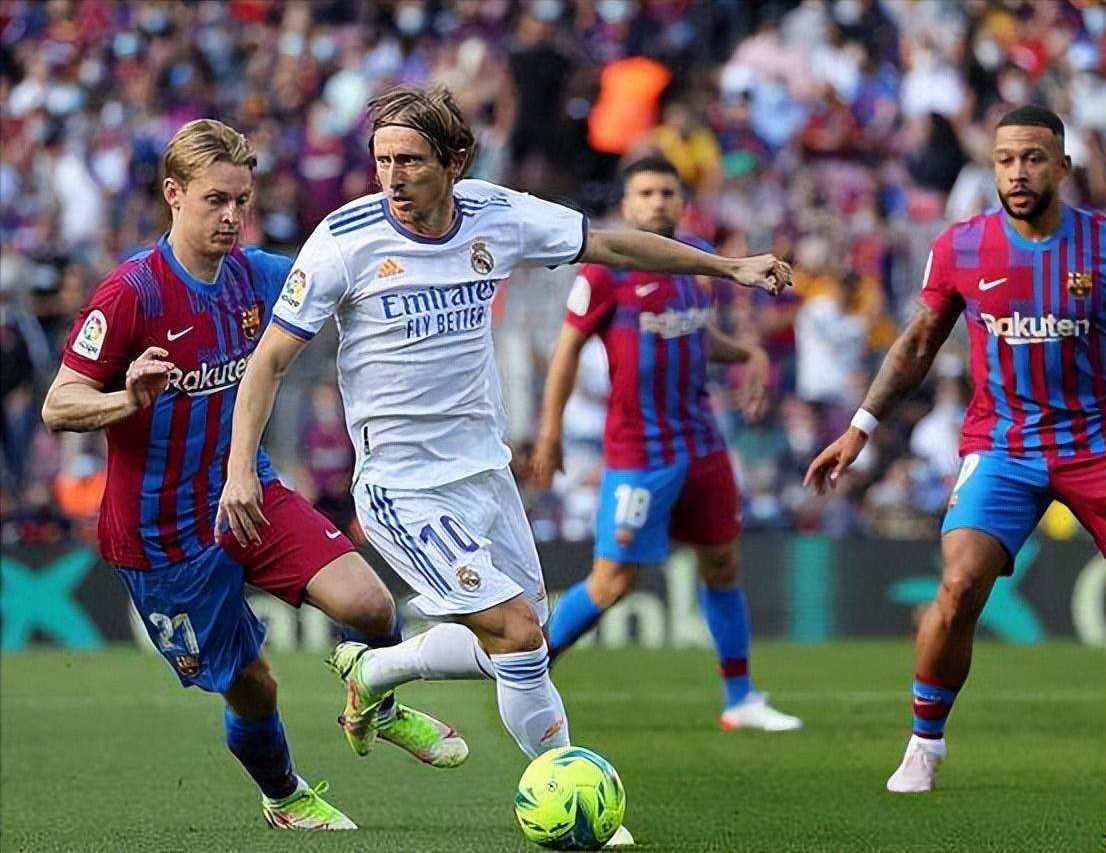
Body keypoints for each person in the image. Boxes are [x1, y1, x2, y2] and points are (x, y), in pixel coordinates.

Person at [218, 86, 788, 847]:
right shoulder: (344, 239)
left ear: (455, 161)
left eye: (410, 160)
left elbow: (615, 246)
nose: (392, 177)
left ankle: (375, 672)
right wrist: (241, 468)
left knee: (527, 642)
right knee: (516, 634)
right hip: (402, 486)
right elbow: (269, 361)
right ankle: (571, 799)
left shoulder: (496, 213)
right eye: (382, 160)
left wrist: (730, 267)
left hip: (484, 473)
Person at [42, 119, 467, 832]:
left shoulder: (257, 276)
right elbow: (59, 404)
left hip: (246, 491)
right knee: (255, 686)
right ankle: (285, 797)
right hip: (161, 534)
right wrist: (127, 400)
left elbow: (347, 275)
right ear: (173, 194)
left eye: (242, 200)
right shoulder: (131, 294)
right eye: (215, 200)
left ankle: (377, 701)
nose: (232, 216)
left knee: (370, 605)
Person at [805, 105, 1105, 793]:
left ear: (1062, 166)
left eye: (1033, 158)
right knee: (961, 581)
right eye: (1006, 160)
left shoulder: (1100, 245)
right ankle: (924, 743)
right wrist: (860, 427)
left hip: (1094, 441)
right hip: (1002, 446)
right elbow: (917, 343)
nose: (1018, 172)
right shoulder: (962, 246)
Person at [530, 156, 802, 733]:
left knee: (722, 564)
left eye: (667, 193)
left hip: (703, 443)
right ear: (626, 205)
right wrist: (550, 431)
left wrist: (748, 352)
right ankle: (528, 669)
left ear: (682, 202)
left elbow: (695, 333)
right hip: (639, 450)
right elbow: (567, 350)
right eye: (646, 193)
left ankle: (741, 698)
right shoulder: (606, 273)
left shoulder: (698, 259)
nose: (658, 202)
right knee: (612, 581)